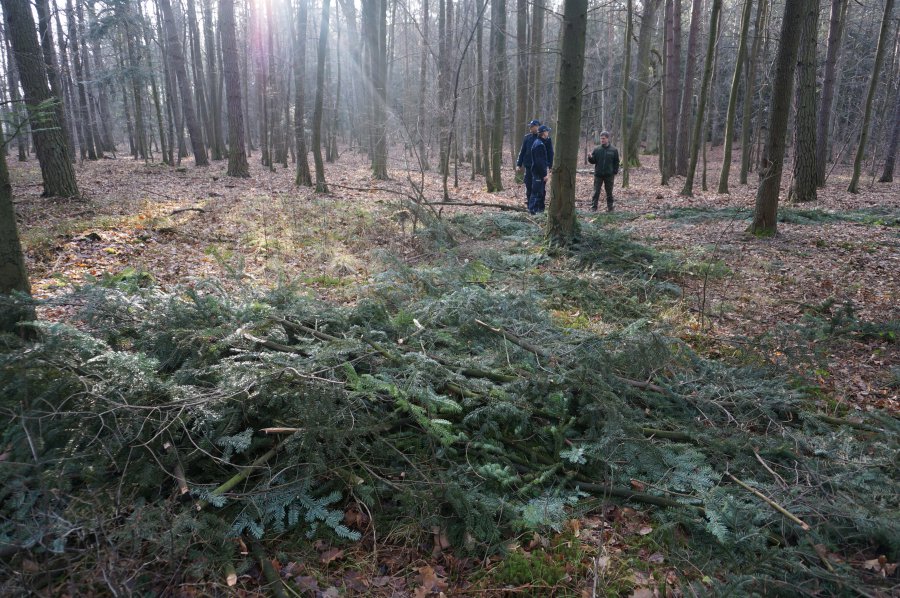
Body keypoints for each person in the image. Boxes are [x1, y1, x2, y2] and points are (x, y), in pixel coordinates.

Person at [587, 131, 620, 212]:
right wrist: (590, 157)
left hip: (609, 175)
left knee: (609, 192)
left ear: (607, 139)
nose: (602, 140)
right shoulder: (597, 149)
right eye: (601, 138)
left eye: (604, 138)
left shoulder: (614, 150)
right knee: (596, 192)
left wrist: (614, 172)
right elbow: (593, 161)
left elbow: (616, 162)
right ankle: (594, 207)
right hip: (598, 174)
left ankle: (610, 207)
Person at [516, 119, 541, 206]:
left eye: (532, 126)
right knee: (528, 183)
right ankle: (529, 200)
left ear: (537, 127)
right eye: (530, 126)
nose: (530, 127)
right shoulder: (527, 137)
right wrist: (519, 164)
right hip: (528, 166)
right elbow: (522, 151)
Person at [529, 125, 552, 214]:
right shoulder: (539, 145)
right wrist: (544, 174)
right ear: (543, 133)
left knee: (541, 192)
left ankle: (539, 211)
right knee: (537, 193)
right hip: (538, 173)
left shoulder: (540, 143)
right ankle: (533, 212)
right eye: (547, 132)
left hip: (538, 173)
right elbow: (540, 162)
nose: (548, 133)